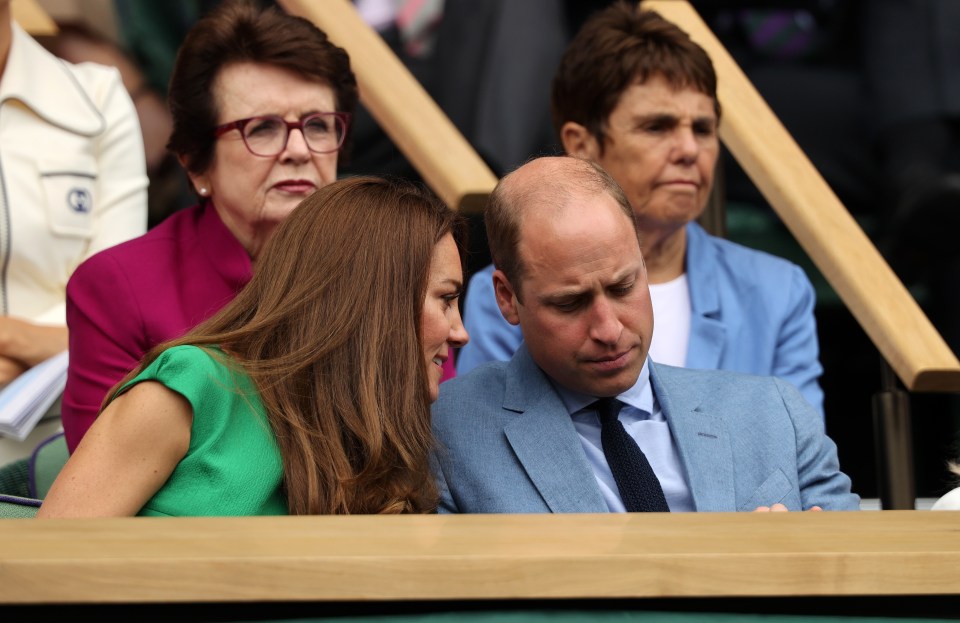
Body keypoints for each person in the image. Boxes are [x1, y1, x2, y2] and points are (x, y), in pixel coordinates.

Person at [456, 3, 825, 417]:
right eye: (657, 127)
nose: (690, 150)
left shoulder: (777, 292)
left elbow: (802, 462)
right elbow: (494, 454)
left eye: (703, 129)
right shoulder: (513, 294)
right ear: (581, 144)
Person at [432, 156, 859, 514]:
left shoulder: (774, 413)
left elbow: (859, 578)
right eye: (570, 303)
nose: (609, 328)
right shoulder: (441, 433)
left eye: (623, 288)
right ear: (507, 298)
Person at [38, 176, 469, 517]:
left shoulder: (385, 423)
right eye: (446, 300)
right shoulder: (192, 388)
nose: (460, 332)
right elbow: (45, 572)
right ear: (377, 302)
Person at [59, 0, 361, 453]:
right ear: (197, 164)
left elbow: (433, 446)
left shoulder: (385, 265)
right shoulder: (118, 288)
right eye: (262, 128)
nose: (299, 149)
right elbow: (101, 488)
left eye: (318, 125)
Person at [0, 0, 147, 460]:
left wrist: (10, 339)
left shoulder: (97, 99)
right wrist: (48, 342)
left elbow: (117, 323)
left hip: (61, 441)